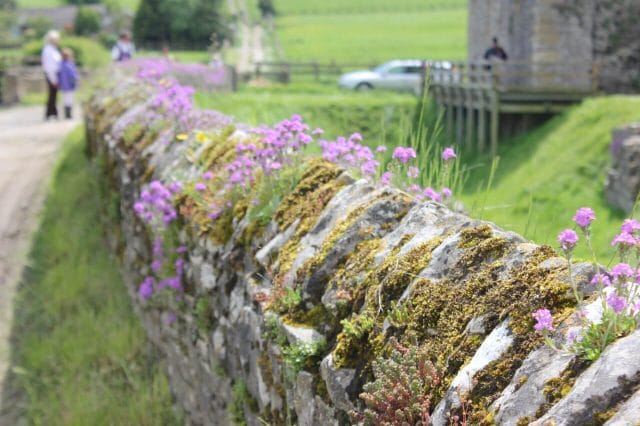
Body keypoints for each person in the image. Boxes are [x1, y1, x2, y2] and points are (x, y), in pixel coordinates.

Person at [41, 30, 62, 120]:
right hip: (52, 74)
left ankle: (52, 112)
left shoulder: (52, 49)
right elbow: (50, 66)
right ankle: (50, 113)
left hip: (54, 74)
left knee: (53, 95)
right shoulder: (48, 50)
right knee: (52, 95)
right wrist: (53, 79)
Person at [58, 48, 79, 119]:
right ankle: (68, 115)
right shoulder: (69, 65)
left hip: (63, 85)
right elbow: (73, 75)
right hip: (70, 85)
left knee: (65, 99)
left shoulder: (61, 65)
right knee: (69, 100)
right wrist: (76, 80)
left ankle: (67, 114)